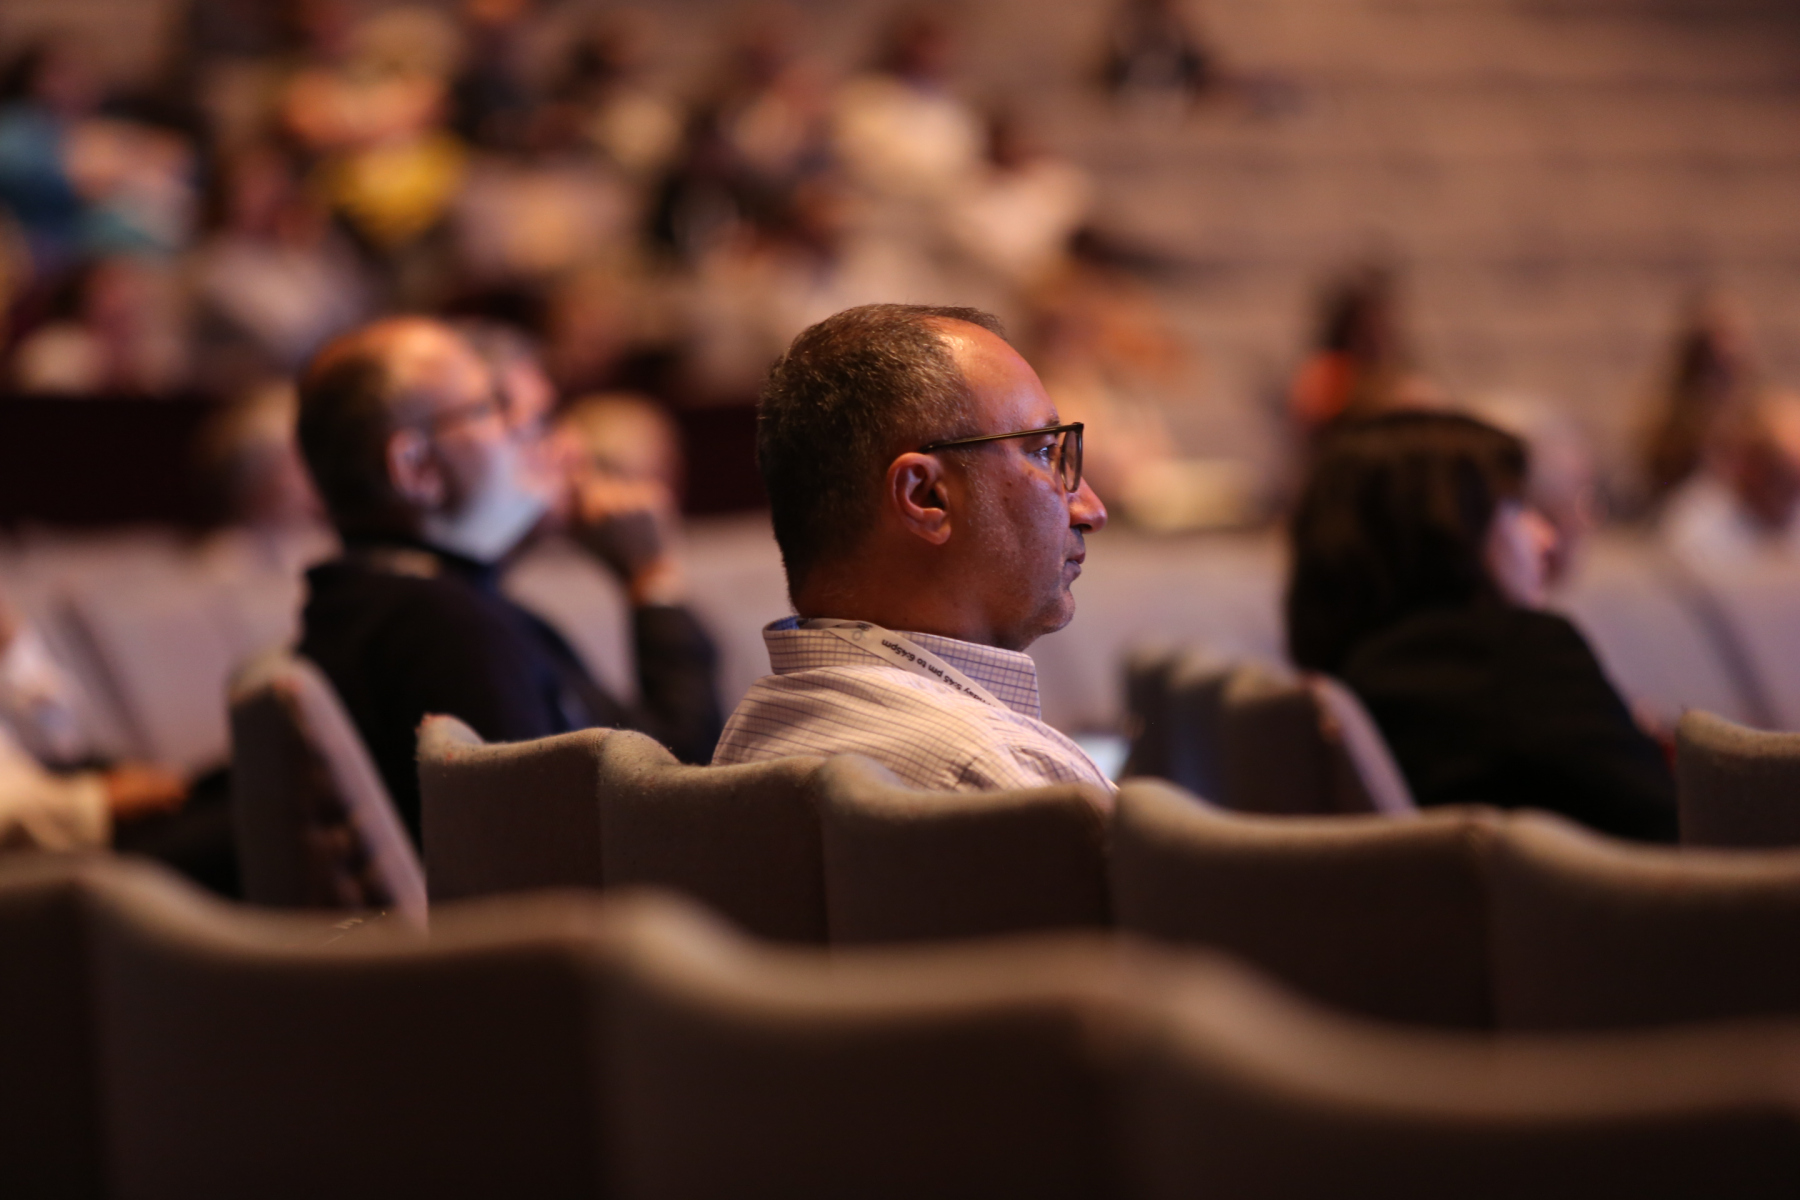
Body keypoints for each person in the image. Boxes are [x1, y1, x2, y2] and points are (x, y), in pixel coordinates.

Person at [293, 316, 722, 841]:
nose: (543, 443)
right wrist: (652, 579)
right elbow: (670, 810)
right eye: (491, 408)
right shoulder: (448, 630)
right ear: (415, 468)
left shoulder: (379, 603)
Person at [712, 303, 1112, 792]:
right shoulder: (1000, 776)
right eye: (1045, 452)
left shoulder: (748, 739)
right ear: (926, 497)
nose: (1091, 510)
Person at [1285, 410, 1678, 842]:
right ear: (1448, 529)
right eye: (1515, 506)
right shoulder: (1517, 657)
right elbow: (1677, 832)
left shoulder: (1354, 676)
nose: (1544, 538)